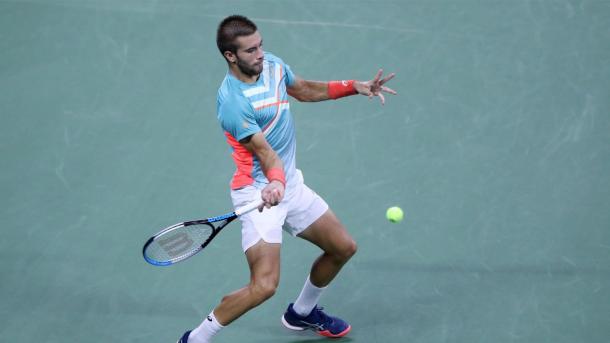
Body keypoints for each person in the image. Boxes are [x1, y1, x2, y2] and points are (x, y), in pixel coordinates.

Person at [178, 15, 396, 343]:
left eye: (261, 45)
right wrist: (275, 182)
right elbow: (265, 153)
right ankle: (195, 338)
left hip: (287, 186)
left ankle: (302, 313)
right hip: (256, 195)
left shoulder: (274, 66)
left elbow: (305, 90)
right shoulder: (233, 103)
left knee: (342, 248)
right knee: (263, 286)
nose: (260, 53)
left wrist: (354, 87)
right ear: (230, 56)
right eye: (251, 50)